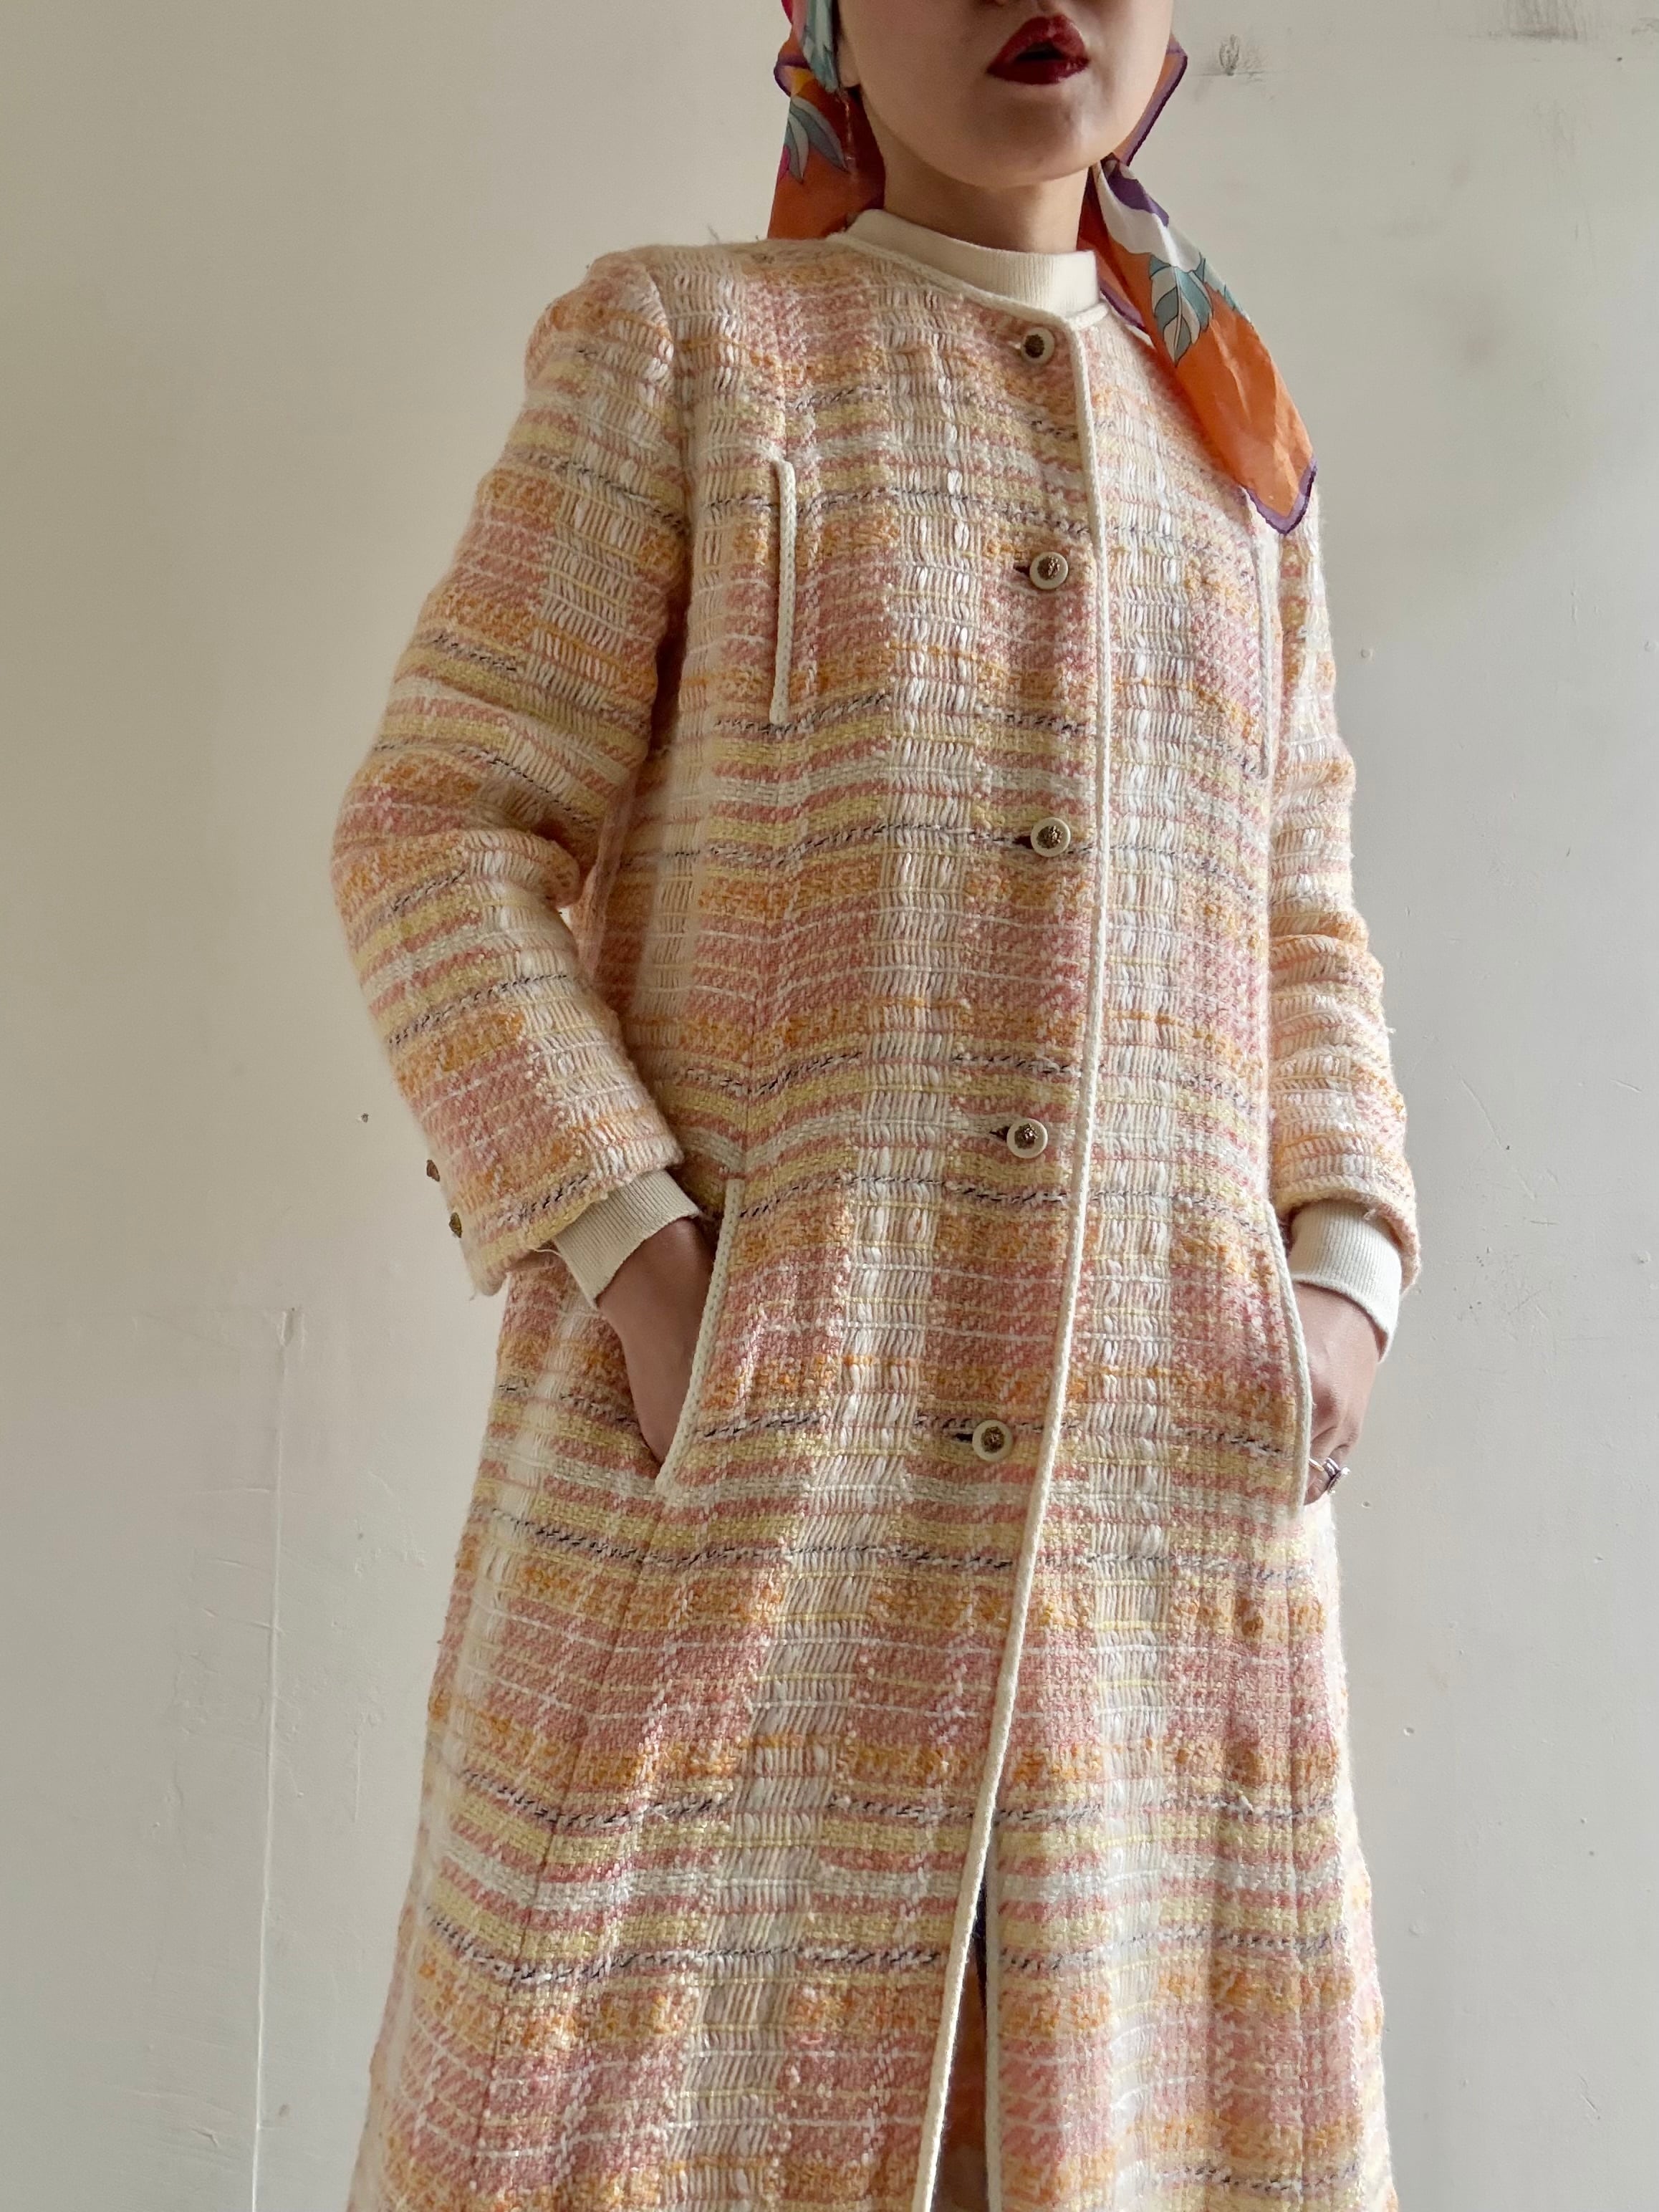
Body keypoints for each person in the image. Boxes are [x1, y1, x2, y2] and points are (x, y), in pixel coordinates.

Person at [329, 4, 1420, 2208]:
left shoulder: (1234, 447)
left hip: (1150, 1500)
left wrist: (1342, 1269)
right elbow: (438, 827)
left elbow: (1296, 896)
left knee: (1121, 2124)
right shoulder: (689, 353)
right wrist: (643, 1262)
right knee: (628, 2116)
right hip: (739, 1482)